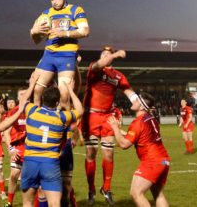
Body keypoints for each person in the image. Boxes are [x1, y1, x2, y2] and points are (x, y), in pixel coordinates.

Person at [81, 46, 138, 205]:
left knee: (108, 154)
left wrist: (140, 104)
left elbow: (129, 92)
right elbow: (101, 63)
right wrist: (116, 54)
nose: (107, 56)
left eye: (109, 54)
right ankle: (91, 189)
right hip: (91, 115)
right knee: (91, 153)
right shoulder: (95, 68)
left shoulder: (118, 76)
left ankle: (106, 189)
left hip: (107, 116)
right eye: (104, 54)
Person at [21, 83, 83, 207]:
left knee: (28, 202)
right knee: (54, 203)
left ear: (43, 99)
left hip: (30, 162)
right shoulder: (61, 117)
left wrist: (33, 84)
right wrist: (70, 90)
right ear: (57, 103)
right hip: (50, 163)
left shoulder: (32, 110)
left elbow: (22, 101)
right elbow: (80, 110)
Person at [30, 0, 90, 109]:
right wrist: (33, 32)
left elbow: (85, 31)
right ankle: (35, 120)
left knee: (64, 94)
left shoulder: (75, 10)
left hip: (67, 56)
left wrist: (65, 33)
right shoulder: (46, 14)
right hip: (49, 55)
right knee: (36, 90)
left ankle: (66, 126)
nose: (54, 2)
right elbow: (36, 41)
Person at [107, 92, 170, 207]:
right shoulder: (151, 119)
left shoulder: (138, 122)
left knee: (136, 193)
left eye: (136, 101)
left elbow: (124, 144)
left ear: (141, 106)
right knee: (158, 194)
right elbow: (140, 137)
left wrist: (115, 128)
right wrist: (121, 131)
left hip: (152, 161)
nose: (133, 101)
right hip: (163, 160)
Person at [3, 89, 27, 207]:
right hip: (18, 147)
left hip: (31, 149)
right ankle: (9, 202)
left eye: (25, 94)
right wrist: (11, 149)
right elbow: (6, 132)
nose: (24, 96)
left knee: (29, 178)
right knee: (14, 175)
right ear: (18, 98)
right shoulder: (13, 112)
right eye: (21, 95)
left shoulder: (34, 110)